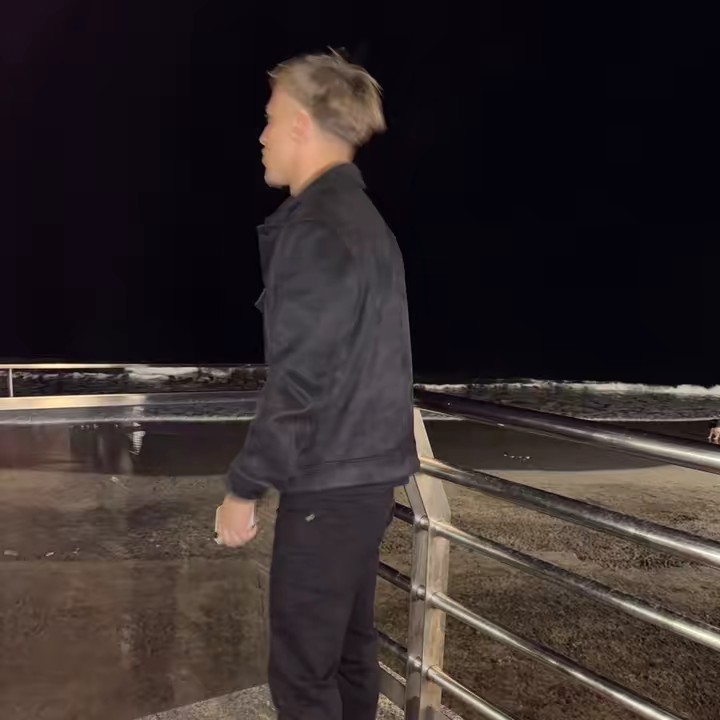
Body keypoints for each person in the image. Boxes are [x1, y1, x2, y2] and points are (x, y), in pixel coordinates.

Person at [215, 50, 419, 720]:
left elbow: (298, 381)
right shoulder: (365, 223)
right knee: (351, 653)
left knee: (303, 676)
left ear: (301, 125)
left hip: (328, 488)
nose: (262, 135)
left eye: (271, 119)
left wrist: (243, 489)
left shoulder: (317, 228)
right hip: (367, 480)